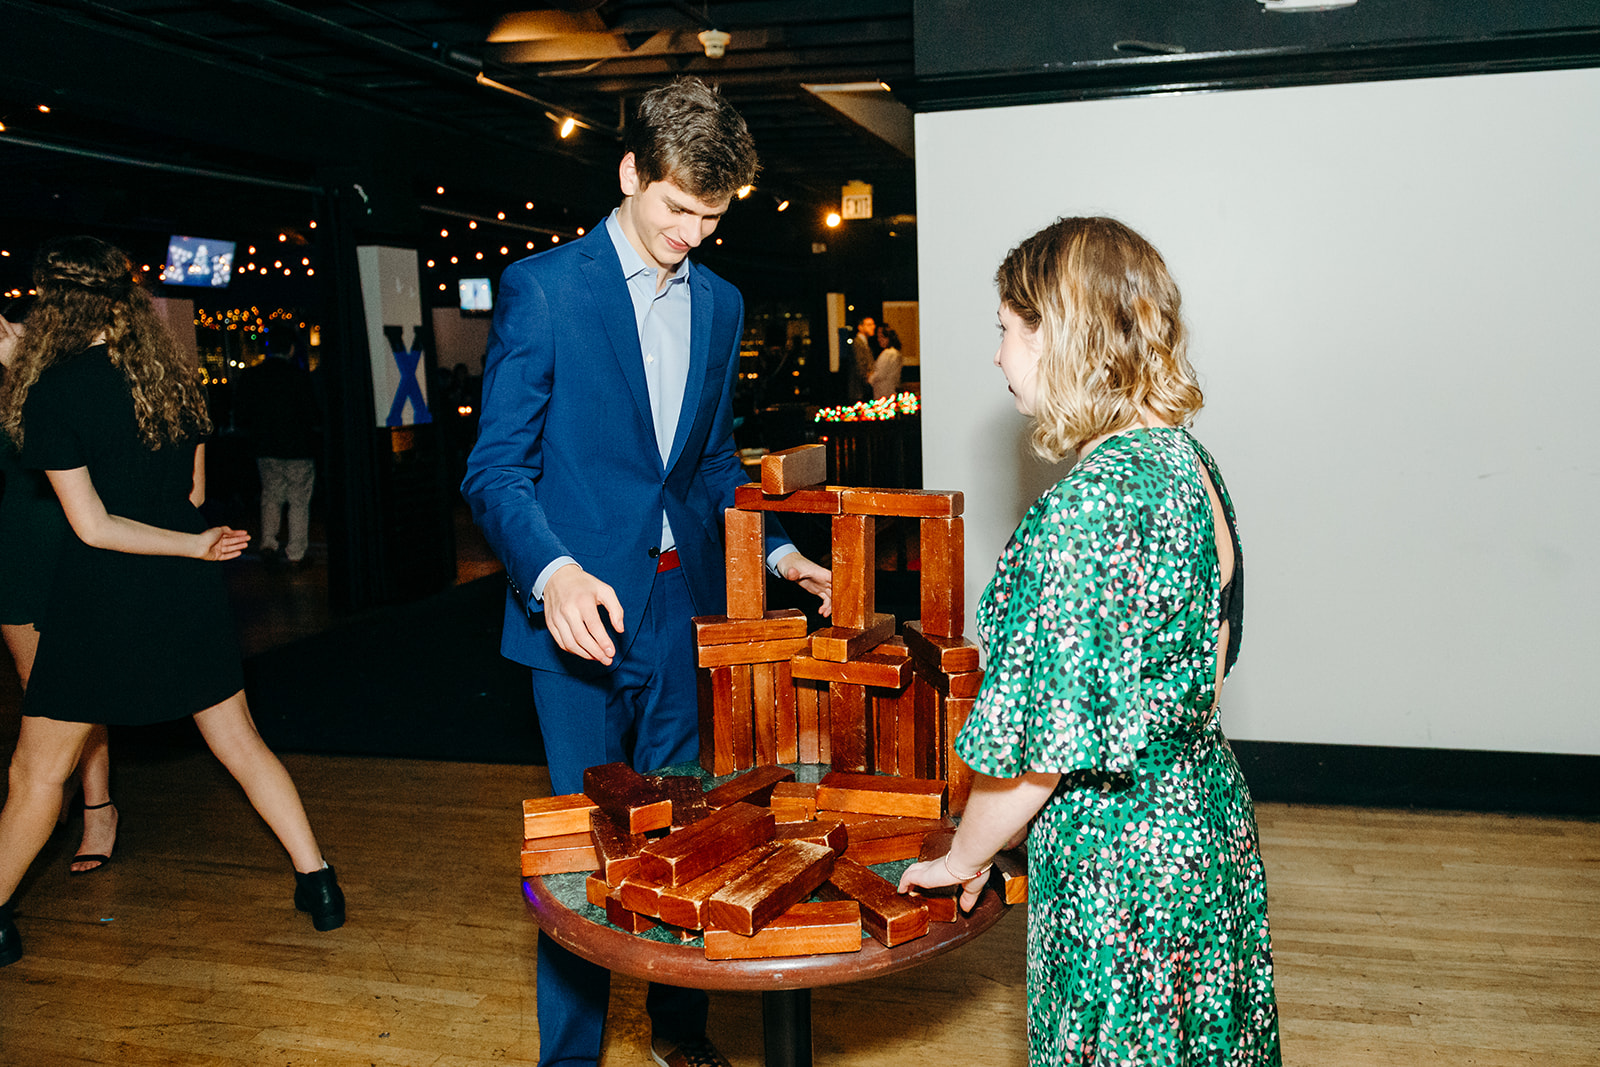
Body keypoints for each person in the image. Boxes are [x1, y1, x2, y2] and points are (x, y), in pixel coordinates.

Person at [462, 77, 831, 1067]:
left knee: (688, 830)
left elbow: (709, 468)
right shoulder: (546, 287)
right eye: (677, 208)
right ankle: (570, 1057)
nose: (693, 233)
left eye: (713, 216)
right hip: (573, 614)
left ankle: (678, 1031)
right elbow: (495, 469)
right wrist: (553, 573)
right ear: (630, 172)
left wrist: (781, 553)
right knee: (587, 851)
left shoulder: (720, 301)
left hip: (677, 610)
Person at [898, 217, 1281, 1064]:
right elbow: (1205, 668)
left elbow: (1043, 750)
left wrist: (963, 856)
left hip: (1123, 876)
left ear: (1058, 336)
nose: (998, 355)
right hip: (1204, 831)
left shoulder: (1089, 506)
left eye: (1007, 329)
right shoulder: (1187, 462)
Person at [0, 236, 344, 970]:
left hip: (99, 599)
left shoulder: (54, 391)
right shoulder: (173, 379)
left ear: (55, 305)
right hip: (183, 593)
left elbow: (91, 526)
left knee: (36, 774)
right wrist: (188, 546)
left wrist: (187, 544)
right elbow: (189, 499)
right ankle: (318, 882)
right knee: (242, 744)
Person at [0, 308, 118, 874]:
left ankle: (99, 806)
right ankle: (56, 785)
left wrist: (19, 368)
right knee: (34, 683)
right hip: (14, 545)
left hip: (66, 538)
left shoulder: (56, 383)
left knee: (75, 683)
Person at [235, 330, 319, 565]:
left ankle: (269, 543)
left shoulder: (253, 376)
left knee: (271, 496)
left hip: (265, 447)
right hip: (297, 448)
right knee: (298, 500)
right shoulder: (299, 377)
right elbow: (312, 413)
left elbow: (242, 414)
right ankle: (296, 552)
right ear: (291, 349)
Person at [870, 323, 903, 400]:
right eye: (878, 337)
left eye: (882, 337)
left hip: (883, 392)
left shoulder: (888, 353)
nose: (879, 340)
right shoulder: (896, 352)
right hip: (891, 390)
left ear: (889, 338)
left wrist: (869, 378)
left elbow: (880, 374)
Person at [848, 315, 876, 401]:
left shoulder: (864, 342)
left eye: (873, 324)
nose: (873, 327)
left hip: (862, 388)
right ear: (860, 327)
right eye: (869, 325)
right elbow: (860, 365)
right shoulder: (858, 343)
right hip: (859, 389)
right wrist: (868, 379)